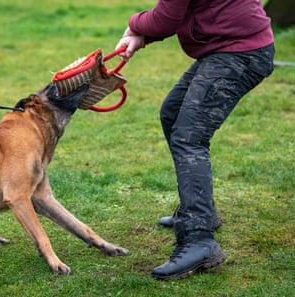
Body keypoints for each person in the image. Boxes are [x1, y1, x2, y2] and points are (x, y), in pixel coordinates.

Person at [116, 0, 274, 280]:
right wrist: (144, 35)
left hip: (239, 52)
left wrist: (134, 24)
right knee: (173, 115)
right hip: (228, 47)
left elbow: (165, 18)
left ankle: (199, 239)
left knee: (189, 136)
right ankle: (201, 213)